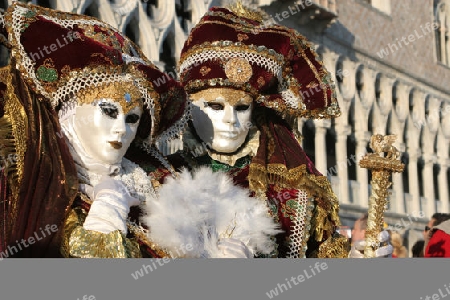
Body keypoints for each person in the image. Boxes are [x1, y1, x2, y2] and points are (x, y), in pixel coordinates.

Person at [142, 3, 390, 258]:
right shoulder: (158, 178)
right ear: (189, 109)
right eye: (215, 106)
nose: (230, 120)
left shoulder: (291, 189)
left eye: (241, 108)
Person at [0, 2, 189, 258]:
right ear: (71, 112)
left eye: (132, 119)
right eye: (109, 111)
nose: (121, 129)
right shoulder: (37, 182)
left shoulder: (152, 180)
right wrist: (107, 211)